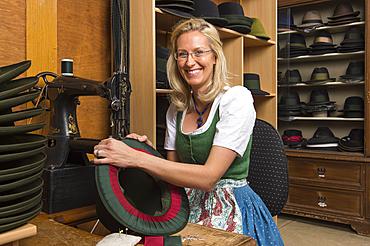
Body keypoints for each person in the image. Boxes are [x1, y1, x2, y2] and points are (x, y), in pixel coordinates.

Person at [93, 18, 284, 245]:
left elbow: (209, 178)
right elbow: (175, 175)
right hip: (187, 201)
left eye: (199, 52)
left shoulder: (237, 99)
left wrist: (137, 158)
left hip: (231, 205)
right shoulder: (177, 108)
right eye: (182, 54)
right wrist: (146, 151)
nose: (189, 62)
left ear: (214, 56)